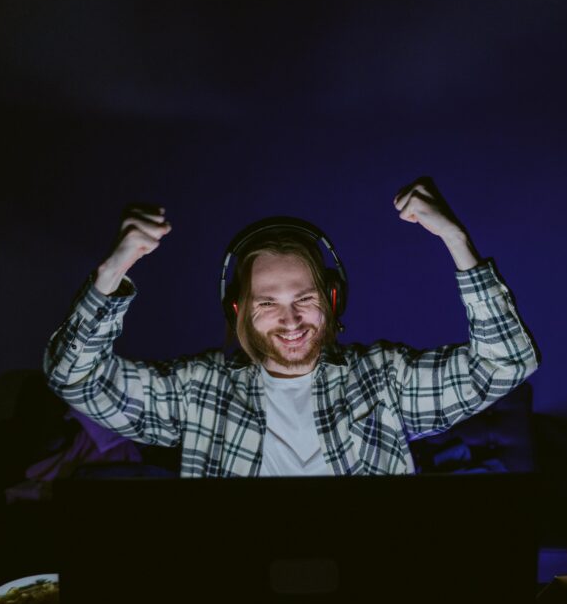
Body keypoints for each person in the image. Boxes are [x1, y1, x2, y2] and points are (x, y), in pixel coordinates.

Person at [43, 177, 540, 477]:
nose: (290, 319)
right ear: (238, 311)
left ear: (332, 299)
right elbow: (75, 378)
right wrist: (112, 272)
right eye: (268, 303)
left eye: (304, 299)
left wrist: (455, 238)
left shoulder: (386, 378)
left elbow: (506, 362)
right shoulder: (197, 392)